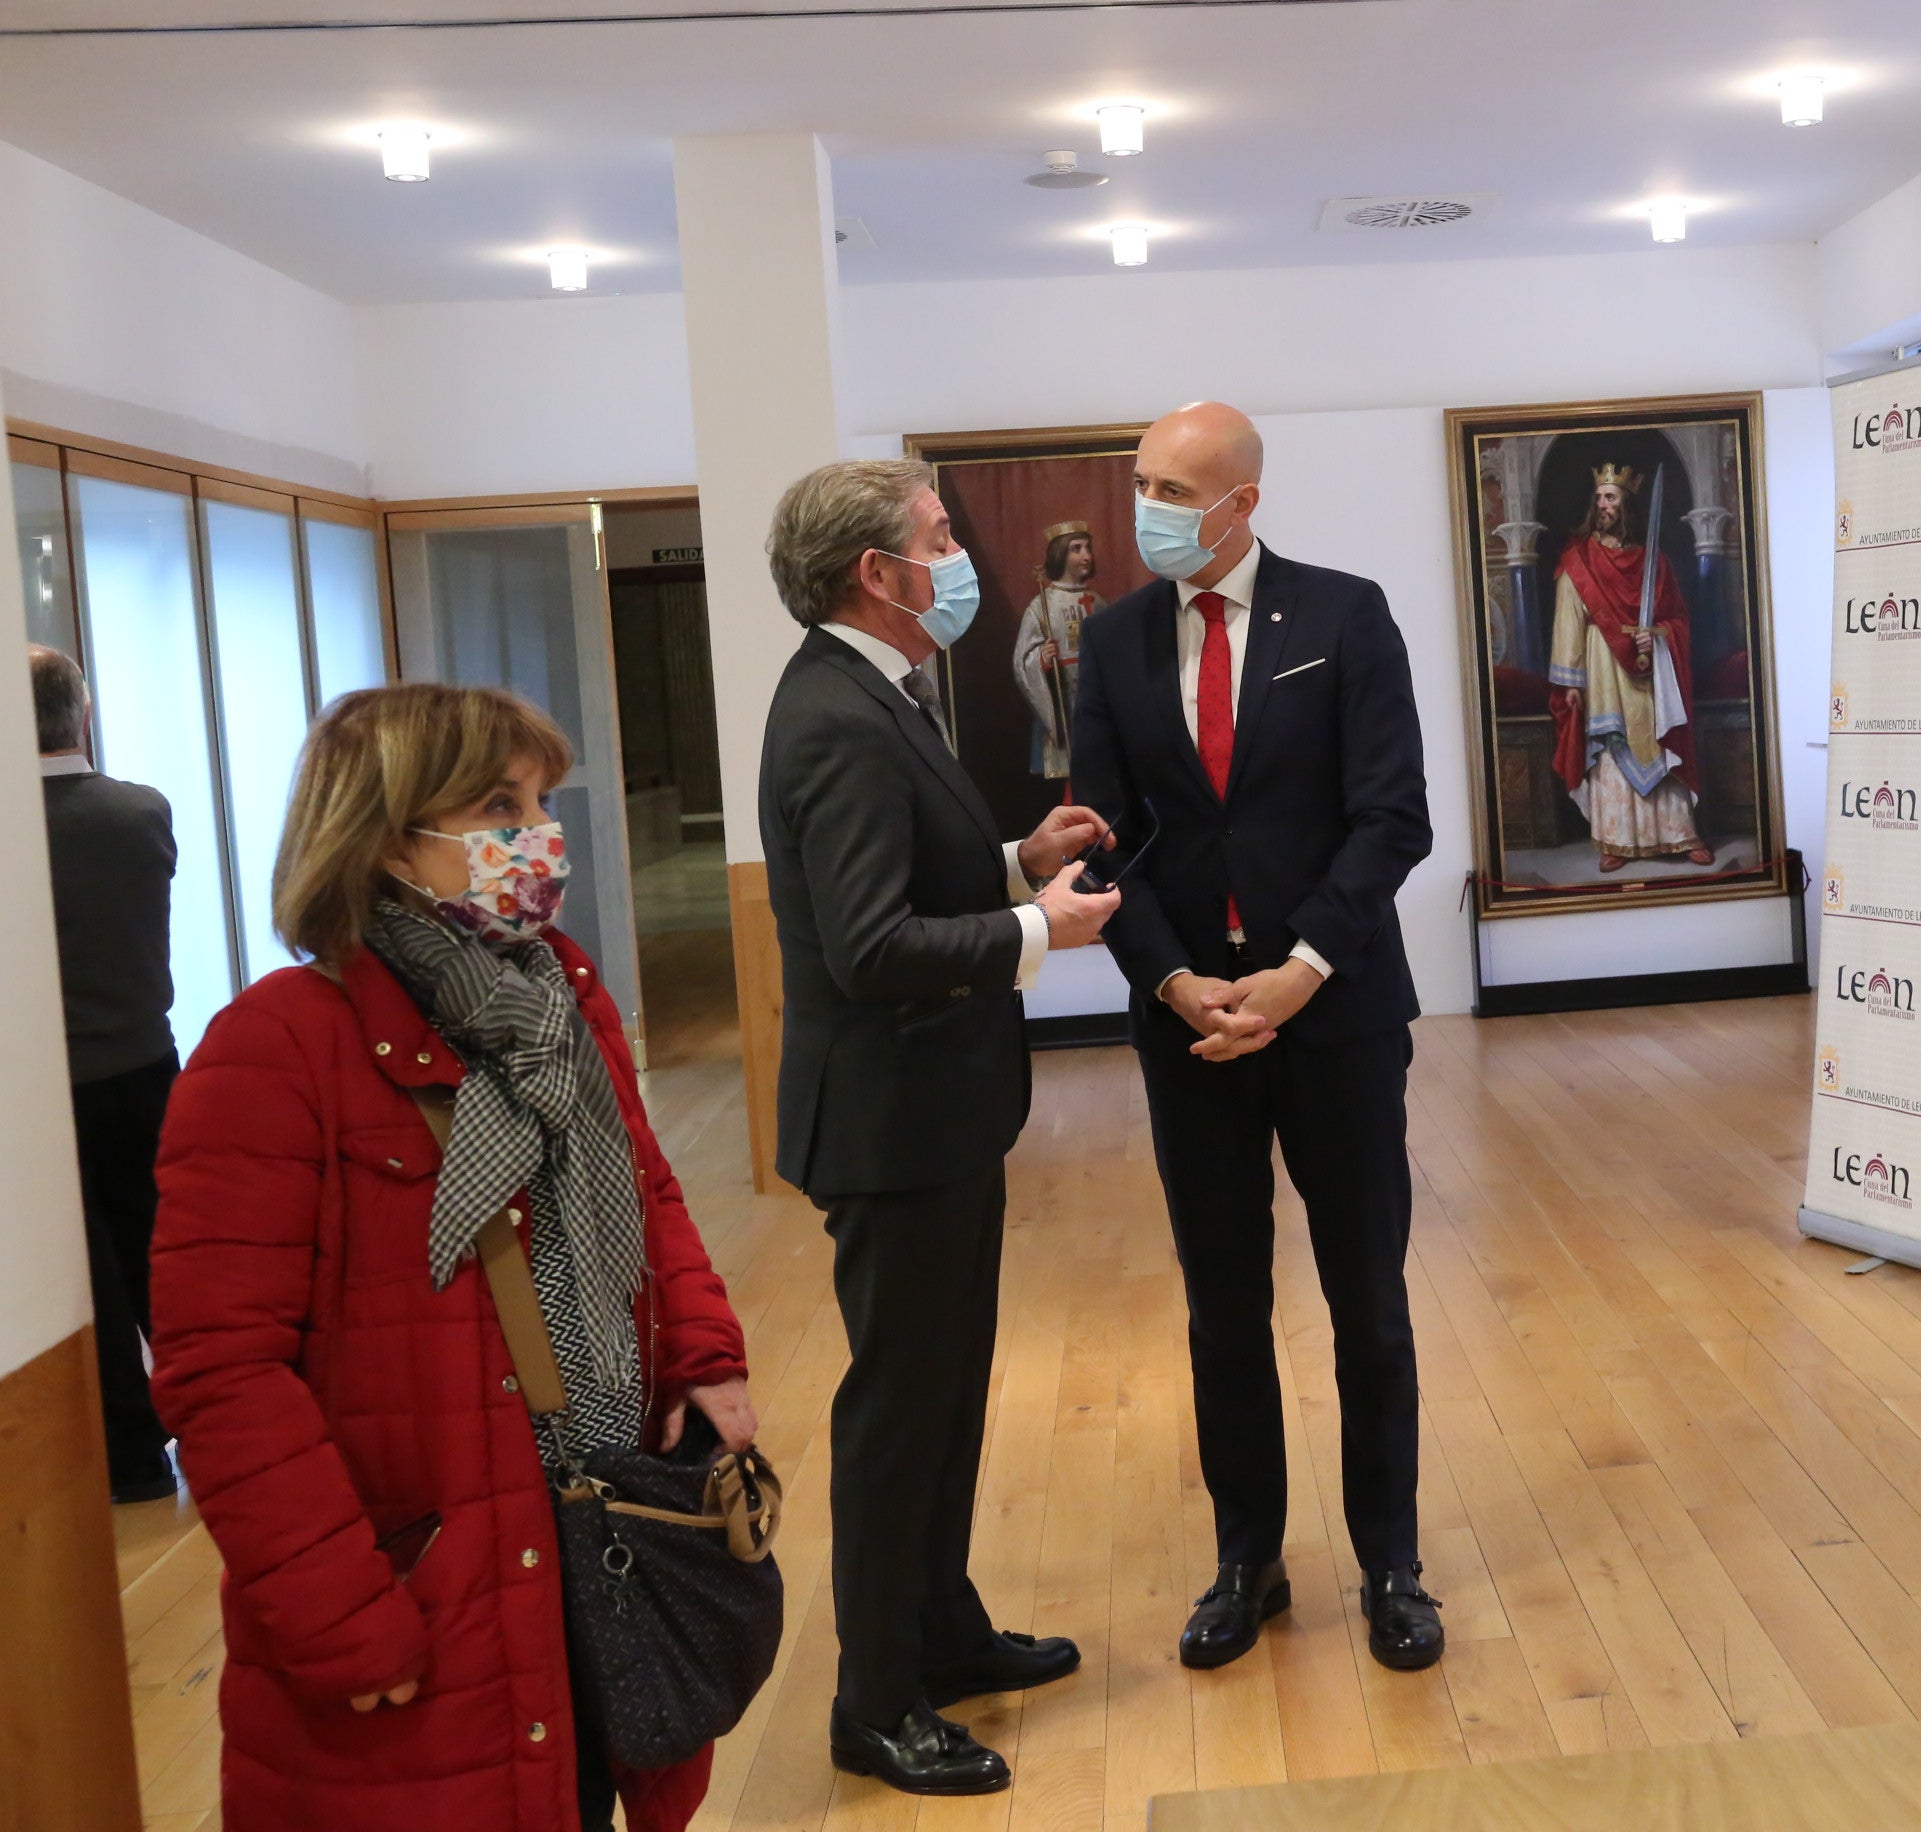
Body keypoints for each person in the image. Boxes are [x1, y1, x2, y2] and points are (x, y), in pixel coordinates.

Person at [146, 683, 756, 1832]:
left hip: (600, 1530)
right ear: (386, 837)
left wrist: (703, 1350)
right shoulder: (277, 1048)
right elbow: (221, 1373)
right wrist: (335, 1612)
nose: (540, 836)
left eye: (541, 802)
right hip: (426, 1582)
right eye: (498, 807)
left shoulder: (562, 997)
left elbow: (646, 1189)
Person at [755, 458, 1118, 1794]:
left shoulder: (871, 689)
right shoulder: (837, 714)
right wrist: (1037, 928)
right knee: (901, 1413)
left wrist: (1017, 861)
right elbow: (868, 948)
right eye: (939, 536)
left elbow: (907, 876)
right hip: (892, 1121)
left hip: (937, 1112)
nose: (957, 556)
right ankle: (875, 1703)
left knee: (950, 1391)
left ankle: (942, 1632)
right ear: (878, 573)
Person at [1069, 401, 1444, 1674]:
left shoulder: (1344, 616)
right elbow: (1104, 840)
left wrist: (1299, 972)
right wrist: (1175, 980)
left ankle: (1391, 1563)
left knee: (1367, 1300)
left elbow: (1392, 817)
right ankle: (1248, 1562)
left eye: (1176, 490)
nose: (1150, 509)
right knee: (1223, 1305)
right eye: (1142, 482)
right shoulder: (1112, 640)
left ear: (1243, 504)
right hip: (1189, 1026)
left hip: (1335, 1014)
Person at [31, 644, 180, 1504]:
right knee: (165, 1253)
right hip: (147, 1065)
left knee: (85, 1274)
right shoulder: (141, 810)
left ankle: (132, 1459)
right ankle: (219, 1422)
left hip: (43, 1093)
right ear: (82, 714)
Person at [1547, 462, 1713, 873]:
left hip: (1651, 671)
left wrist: (1658, 635)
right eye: (1599, 498)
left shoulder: (1653, 561)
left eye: (1611, 497)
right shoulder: (1579, 561)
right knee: (1612, 745)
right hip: (1603, 669)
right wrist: (1572, 684)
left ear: (1627, 505)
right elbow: (1568, 622)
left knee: (1658, 741)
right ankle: (1615, 840)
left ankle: (1679, 834)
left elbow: (1678, 618)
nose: (1603, 504)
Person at [1011, 519, 1102, 782]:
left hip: (1093, 697)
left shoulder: (1097, 602)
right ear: (1060, 554)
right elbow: (1022, 661)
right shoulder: (1041, 607)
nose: (1086, 556)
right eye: (1076, 549)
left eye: (1087, 548)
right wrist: (1041, 657)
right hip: (1063, 697)